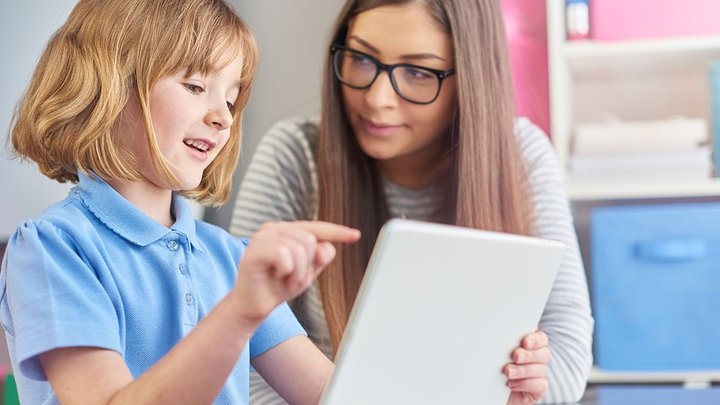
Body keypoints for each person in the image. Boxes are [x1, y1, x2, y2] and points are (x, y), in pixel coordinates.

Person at [231, 0, 594, 403]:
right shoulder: (294, 156)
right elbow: (237, 355)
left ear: (470, 78)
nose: (378, 98)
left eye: (419, 72)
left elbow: (567, 354)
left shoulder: (521, 154)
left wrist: (526, 379)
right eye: (361, 58)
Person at [0, 0, 362, 403]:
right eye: (195, 86)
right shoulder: (54, 248)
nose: (224, 117)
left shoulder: (231, 259)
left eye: (231, 99)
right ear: (111, 84)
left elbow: (337, 396)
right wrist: (239, 312)